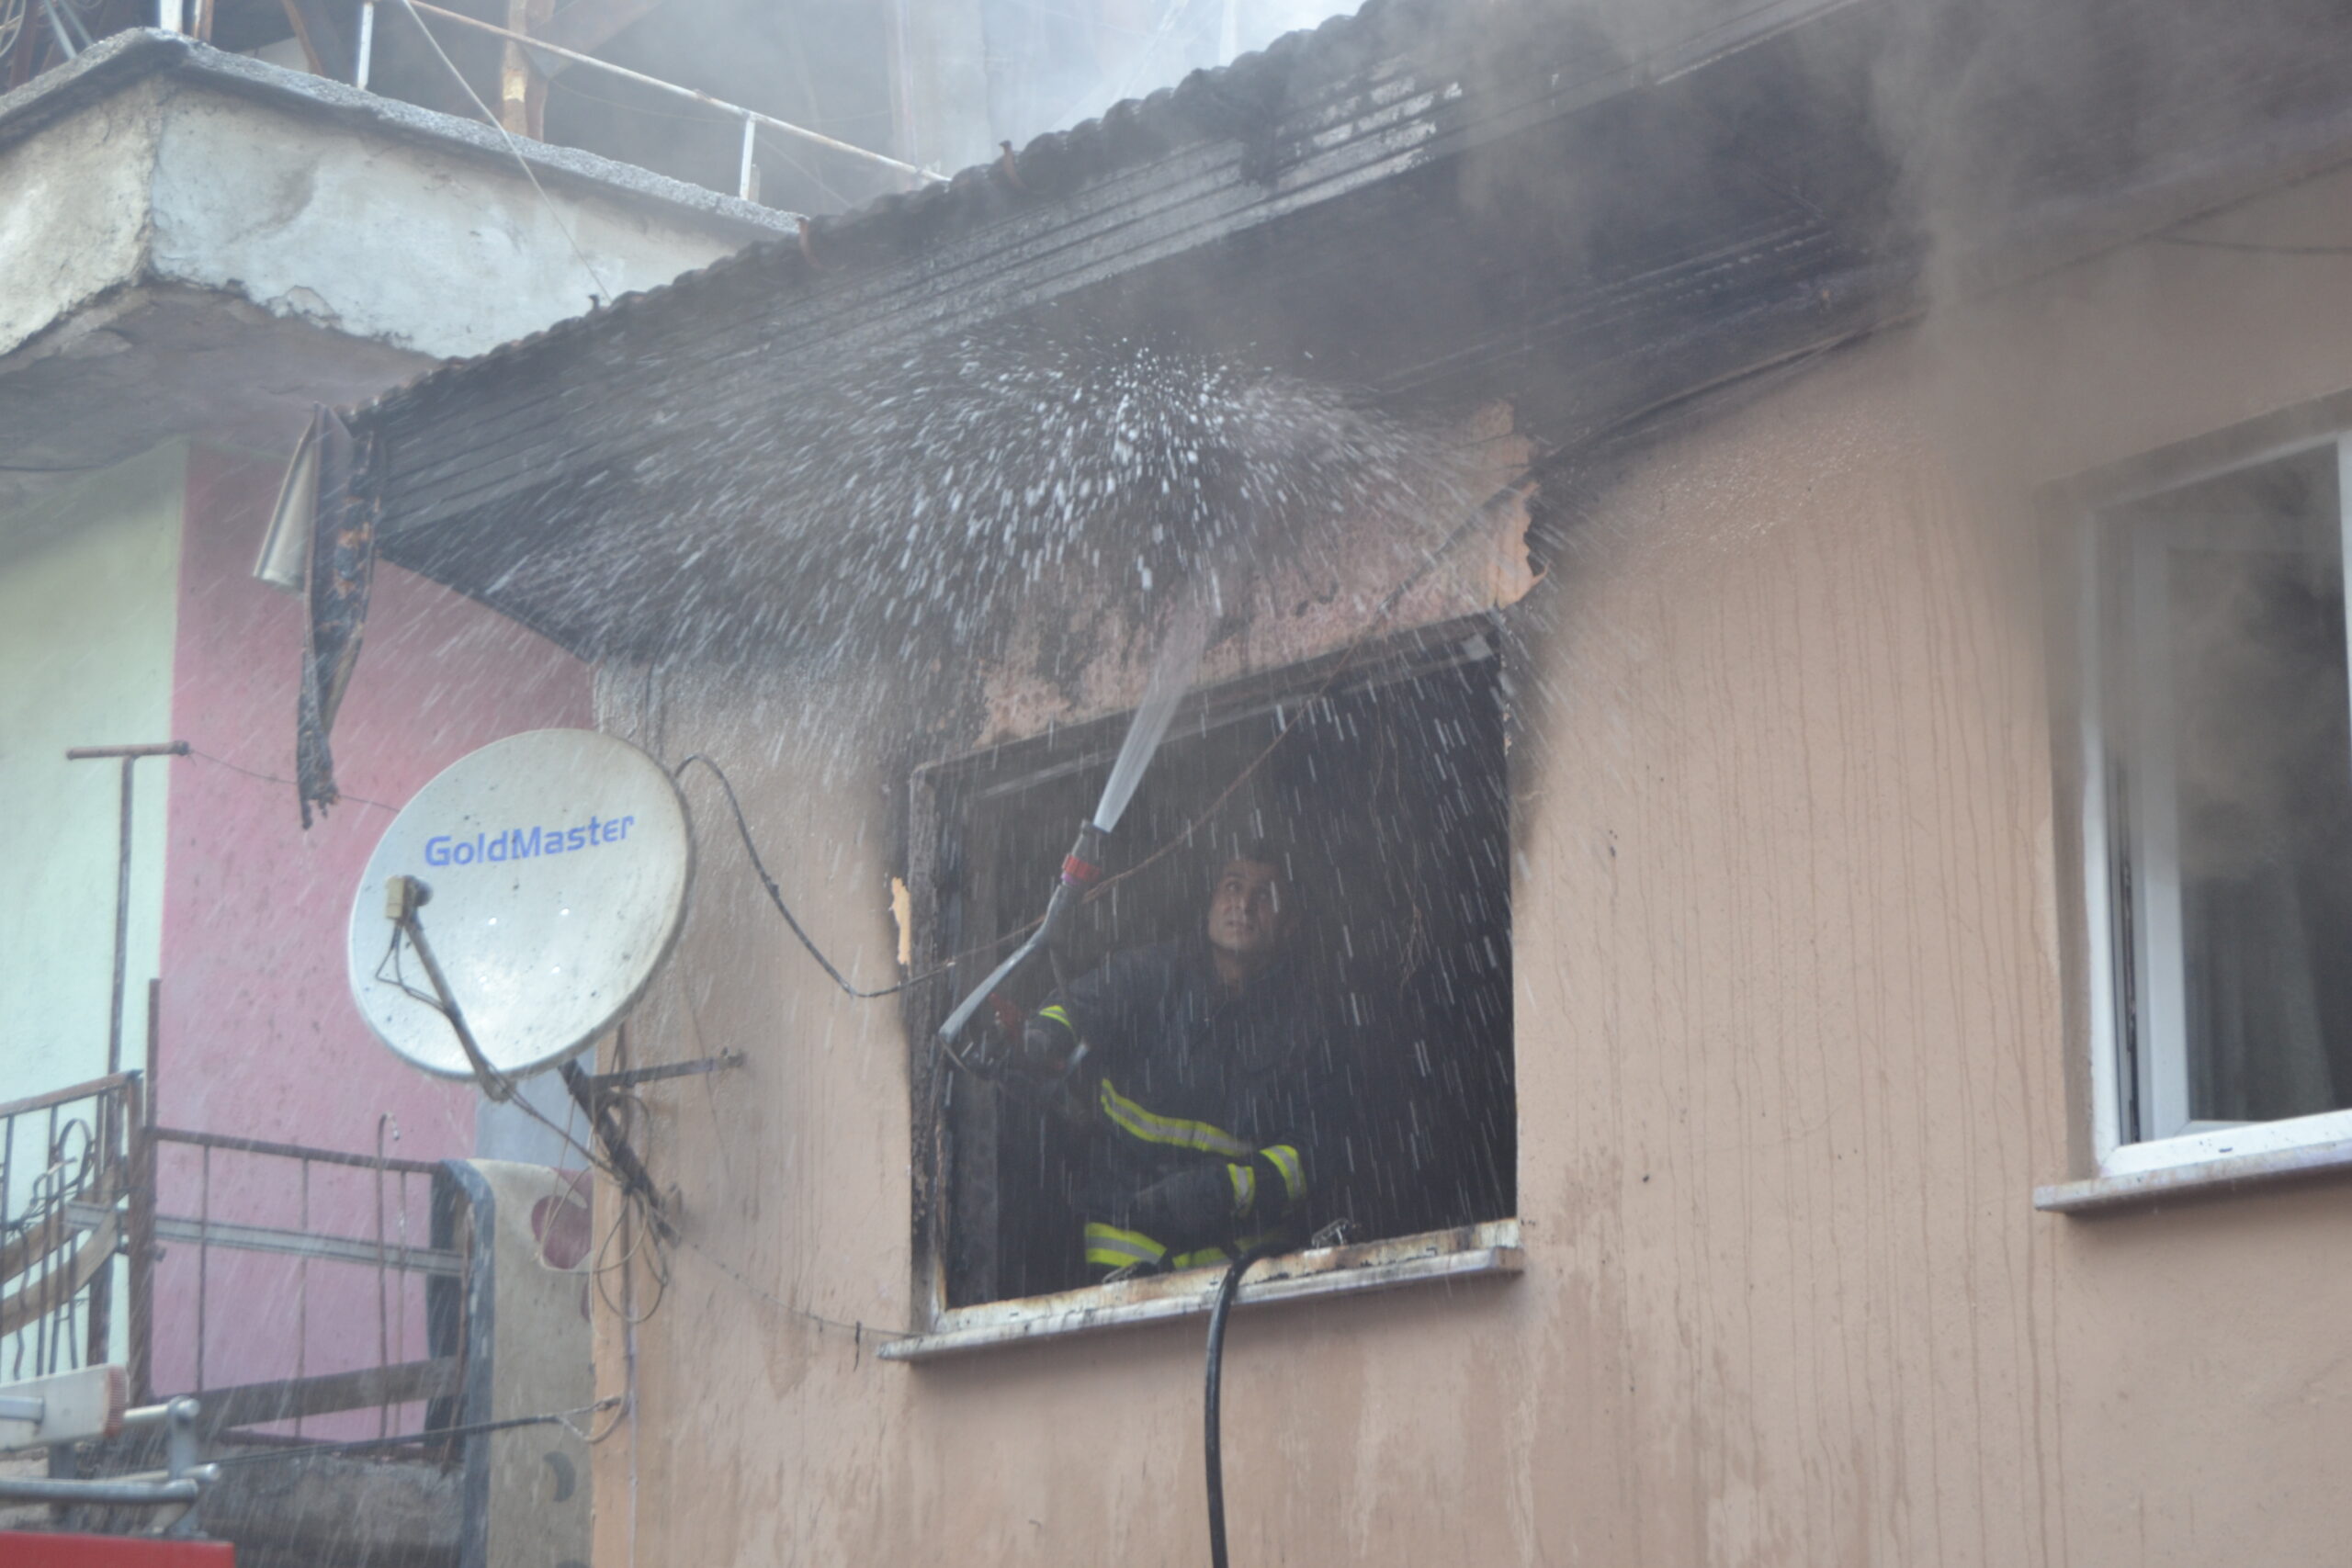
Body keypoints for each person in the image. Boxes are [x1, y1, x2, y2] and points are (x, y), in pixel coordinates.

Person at [1022, 841, 1352, 1278]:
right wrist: (1046, 1033)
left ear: (1290, 925)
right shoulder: (1151, 973)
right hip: (1128, 1236)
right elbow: (1078, 1003)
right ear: (1211, 902)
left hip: (1243, 1260)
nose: (1244, 904)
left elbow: (1314, 1155)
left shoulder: (1304, 1024)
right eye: (1232, 886)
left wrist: (1230, 1190)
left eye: (1265, 895)